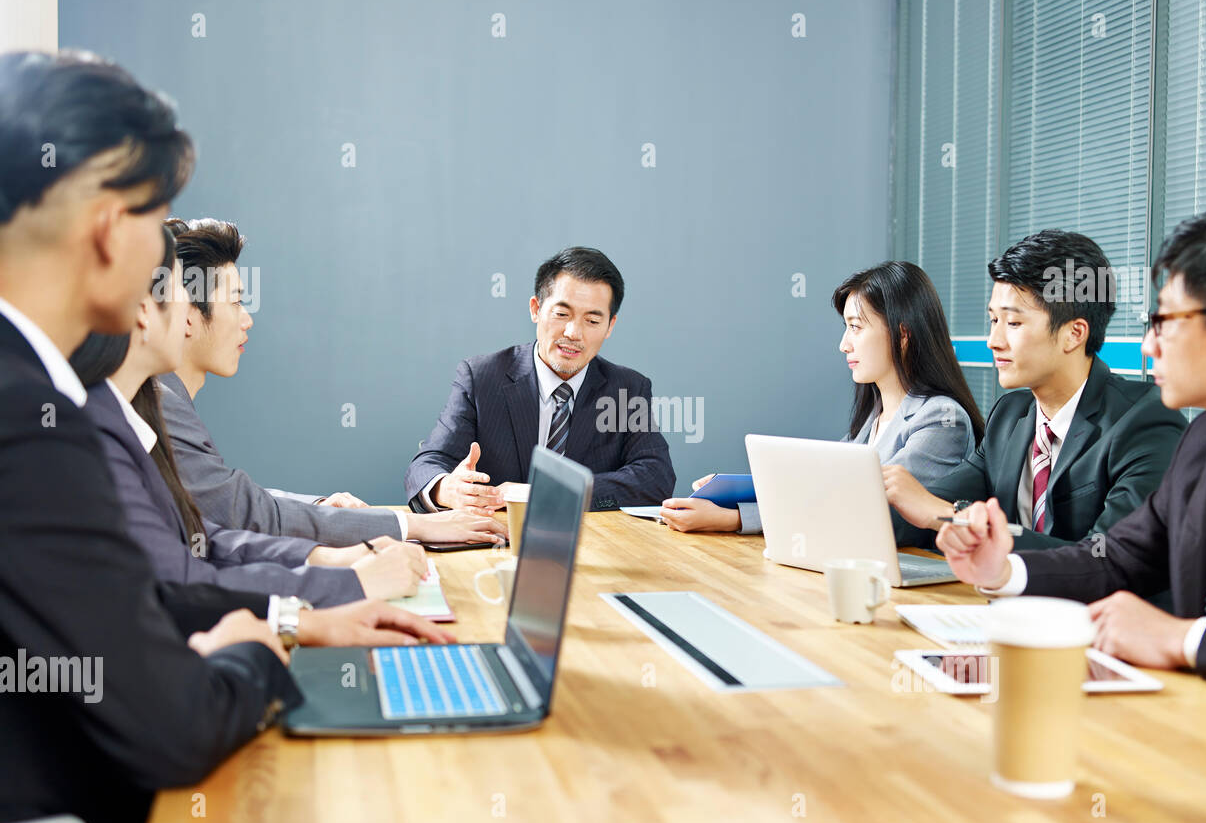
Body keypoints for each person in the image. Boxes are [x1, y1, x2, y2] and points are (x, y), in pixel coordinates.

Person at [0, 50, 450, 823]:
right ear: (107, 227)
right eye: (157, 219)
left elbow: (119, 596)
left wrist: (285, 616)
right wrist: (254, 653)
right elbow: (173, 727)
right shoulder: (30, 421)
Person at [939, 207, 1206, 695]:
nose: (1149, 345)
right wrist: (1003, 568)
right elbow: (1117, 557)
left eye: (1166, 322)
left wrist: (1183, 638)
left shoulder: (1158, 424)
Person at [68, 227, 428, 606]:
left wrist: (322, 558)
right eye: (178, 300)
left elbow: (200, 535)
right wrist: (345, 583)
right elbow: (188, 570)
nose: (186, 318)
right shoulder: (113, 424)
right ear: (144, 311)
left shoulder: (127, 411)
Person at [160, 217, 505, 547]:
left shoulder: (167, 400)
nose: (247, 319)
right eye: (236, 302)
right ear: (188, 316)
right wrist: (416, 525)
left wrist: (320, 504)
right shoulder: (162, 407)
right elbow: (246, 513)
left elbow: (229, 498)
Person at [886, 230, 1186, 550]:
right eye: (993, 320)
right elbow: (924, 509)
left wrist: (948, 516)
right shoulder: (1009, 415)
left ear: (1074, 334)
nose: (994, 341)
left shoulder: (1144, 420)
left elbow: (1108, 556)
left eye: (1013, 324)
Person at [659, 261, 984, 533]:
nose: (844, 344)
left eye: (856, 327)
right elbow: (818, 487)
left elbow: (860, 509)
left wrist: (734, 519)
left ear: (902, 335)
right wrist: (730, 493)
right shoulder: (872, 421)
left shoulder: (942, 420)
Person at [404, 246, 676, 512]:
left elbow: (655, 478)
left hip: (592, 543)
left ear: (610, 326)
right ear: (536, 309)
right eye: (561, 314)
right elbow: (427, 463)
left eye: (592, 321)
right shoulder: (482, 378)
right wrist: (446, 488)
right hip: (493, 539)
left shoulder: (626, 390)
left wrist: (553, 493)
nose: (573, 333)